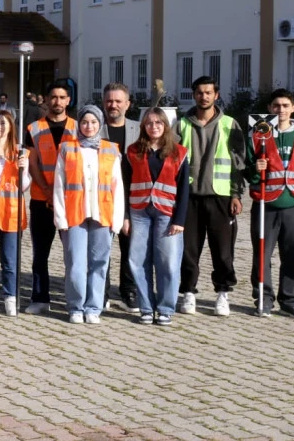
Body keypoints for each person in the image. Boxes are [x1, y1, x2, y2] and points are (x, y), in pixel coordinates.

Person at [247, 89, 294, 318]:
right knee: (262, 254)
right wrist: (255, 169)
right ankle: (264, 299)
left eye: (285, 105)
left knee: (292, 255)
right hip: (265, 204)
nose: (280, 110)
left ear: (293, 108)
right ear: (270, 108)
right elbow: (249, 172)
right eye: (276, 106)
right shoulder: (258, 135)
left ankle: (290, 300)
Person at [177, 76, 246, 317]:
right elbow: (172, 162)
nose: (203, 96)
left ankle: (222, 294)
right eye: (199, 92)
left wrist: (237, 195)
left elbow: (238, 163)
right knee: (187, 250)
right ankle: (188, 293)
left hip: (221, 197)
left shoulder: (229, 124)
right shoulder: (181, 125)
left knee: (223, 250)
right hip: (189, 197)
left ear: (216, 95)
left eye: (208, 92)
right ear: (193, 95)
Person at [51, 105, 125, 324]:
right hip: (74, 215)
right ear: (79, 124)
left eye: (93, 122)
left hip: (103, 215)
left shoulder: (111, 149)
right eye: (84, 122)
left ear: (100, 124)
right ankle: (75, 306)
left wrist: (117, 221)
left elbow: (117, 186)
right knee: (75, 263)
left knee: (99, 262)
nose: (89, 126)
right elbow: (59, 185)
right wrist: (60, 218)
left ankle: (93, 307)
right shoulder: (67, 148)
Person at [125, 107, 189, 326]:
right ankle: (145, 307)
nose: (154, 127)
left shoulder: (179, 152)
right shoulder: (133, 151)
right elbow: (124, 185)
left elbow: (184, 189)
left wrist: (180, 221)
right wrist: (125, 216)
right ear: (143, 126)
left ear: (166, 126)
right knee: (138, 260)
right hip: (139, 212)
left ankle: (165, 308)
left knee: (168, 262)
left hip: (167, 214)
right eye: (150, 123)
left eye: (158, 123)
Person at [23, 81, 77, 314]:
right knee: (40, 252)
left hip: (71, 200)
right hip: (40, 198)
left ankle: (73, 298)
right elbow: (32, 163)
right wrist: (46, 190)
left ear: (68, 100)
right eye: (53, 97)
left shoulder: (78, 128)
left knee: (73, 253)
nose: (57, 101)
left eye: (62, 97)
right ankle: (40, 298)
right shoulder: (33, 128)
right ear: (46, 99)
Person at [0, 110, 30, 317]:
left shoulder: (20, 153)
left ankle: (10, 297)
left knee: (10, 260)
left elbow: (24, 186)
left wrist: (24, 169)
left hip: (11, 213)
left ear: (10, 127)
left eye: (2, 123)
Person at [102, 82, 141, 313]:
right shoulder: (95, 129)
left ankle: (129, 291)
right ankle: (102, 291)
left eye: (118, 101)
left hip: (134, 196)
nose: (113, 105)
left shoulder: (140, 129)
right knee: (102, 248)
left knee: (131, 248)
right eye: (109, 101)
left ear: (128, 104)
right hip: (104, 199)